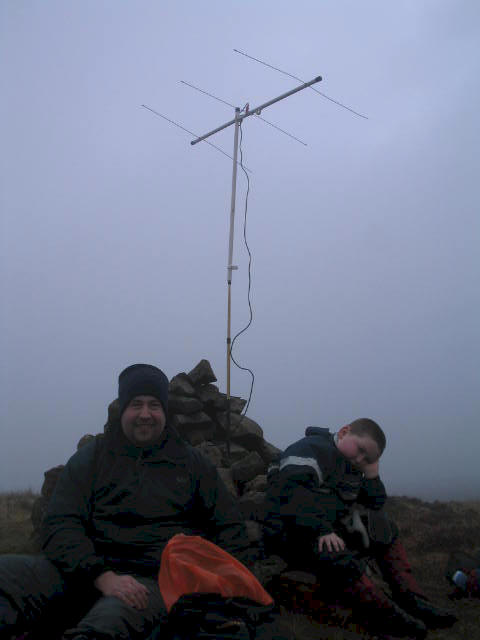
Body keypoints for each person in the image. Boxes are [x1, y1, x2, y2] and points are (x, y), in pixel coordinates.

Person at [0, 364, 250, 640]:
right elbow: (60, 523)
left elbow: (230, 528)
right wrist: (101, 575)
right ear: (123, 410)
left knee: (108, 624)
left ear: (165, 412)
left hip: (150, 582)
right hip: (81, 573)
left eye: (154, 405)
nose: (145, 414)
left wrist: (213, 589)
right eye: (136, 404)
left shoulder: (192, 464)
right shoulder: (92, 458)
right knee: (5, 574)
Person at [263, 418, 457, 639]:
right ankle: (385, 616)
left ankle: (412, 600)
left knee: (384, 528)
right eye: (361, 450)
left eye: (368, 458)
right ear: (345, 431)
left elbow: (374, 503)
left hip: (325, 528)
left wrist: (372, 473)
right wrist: (321, 529)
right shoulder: (311, 448)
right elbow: (292, 492)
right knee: (334, 550)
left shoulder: (352, 466)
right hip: (290, 531)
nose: (360, 459)